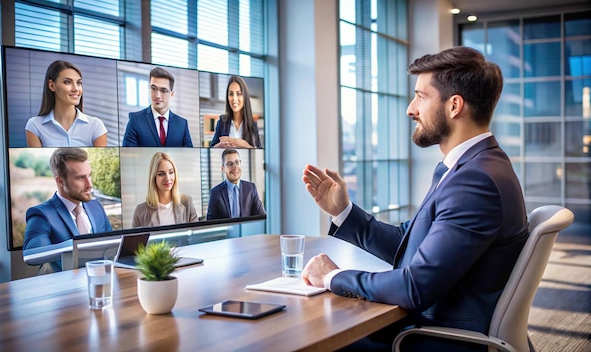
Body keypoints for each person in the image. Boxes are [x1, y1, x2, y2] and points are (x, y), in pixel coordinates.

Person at [301, 46, 529, 351]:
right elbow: (408, 241)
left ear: (454, 106)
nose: (411, 109)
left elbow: (414, 287)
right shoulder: (473, 167)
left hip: (431, 339)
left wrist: (333, 277)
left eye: (421, 96)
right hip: (427, 327)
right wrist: (343, 211)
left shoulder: (475, 182)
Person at [23, 148, 112, 273]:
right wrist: (78, 247)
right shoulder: (41, 214)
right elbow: (32, 256)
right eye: (80, 178)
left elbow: (112, 245)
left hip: (101, 281)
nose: (89, 184)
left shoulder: (95, 206)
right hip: (64, 287)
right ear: (60, 181)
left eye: (89, 175)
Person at [25, 60, 108, 147]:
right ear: (51, 86)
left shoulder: (96, 125)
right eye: (67, 82)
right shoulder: (34, 126)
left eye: (78, 83)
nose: (76, 89)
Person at [122, 67, 193, 147]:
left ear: (171, 94)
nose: (157, 95)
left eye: (163, 90)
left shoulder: (182, 124)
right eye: (153, 88)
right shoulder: (135, 120)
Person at [132, 152, 198, 227]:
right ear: (154, 177)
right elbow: (135, 238)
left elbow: (196, 236)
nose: (167, 178)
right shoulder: (140, 211)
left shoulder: (187, 203)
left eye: (171, 172)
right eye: (161, 174)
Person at [206, 149, 265, 220]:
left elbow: (262, 217)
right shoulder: (215, 193)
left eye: (237, 162)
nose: (235, 167)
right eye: (230, 164)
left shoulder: (251, 188)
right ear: (223, 169)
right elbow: (210, 223)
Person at [210, 75, 262, 148]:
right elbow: (211, 148)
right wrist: (220, 146)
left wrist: (245, 145)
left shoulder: (252, 125)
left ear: (245, 97)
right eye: (231, 94)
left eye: (239, 94)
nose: (234, 99)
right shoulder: (222, 122)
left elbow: (259, 151)